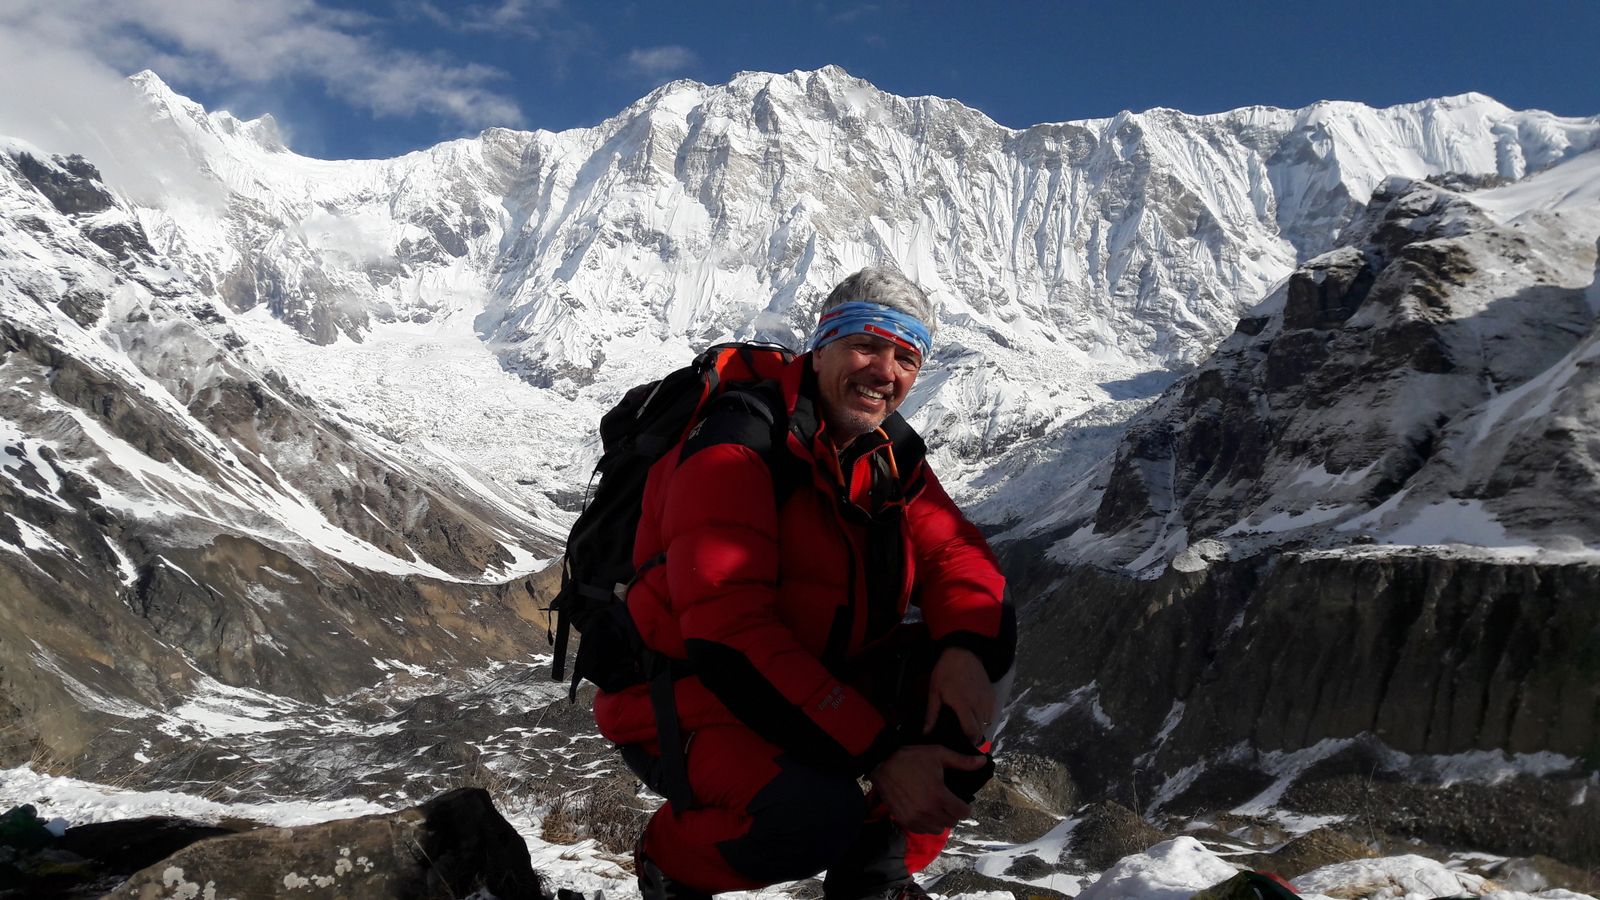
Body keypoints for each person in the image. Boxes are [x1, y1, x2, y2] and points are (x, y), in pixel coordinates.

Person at [592, 266, 1015, 900]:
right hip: (693, 696)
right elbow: (728, 634)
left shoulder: (886, 455)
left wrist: (964, 652)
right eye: (866, 345)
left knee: (965, 700)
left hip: (808, 679)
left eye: (906, 357)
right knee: (814, 817)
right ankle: (672, 864)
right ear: (822, 346)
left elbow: (956, 555)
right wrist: (880, 755)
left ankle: (875, 880)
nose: (885, 371)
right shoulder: (738, 445)